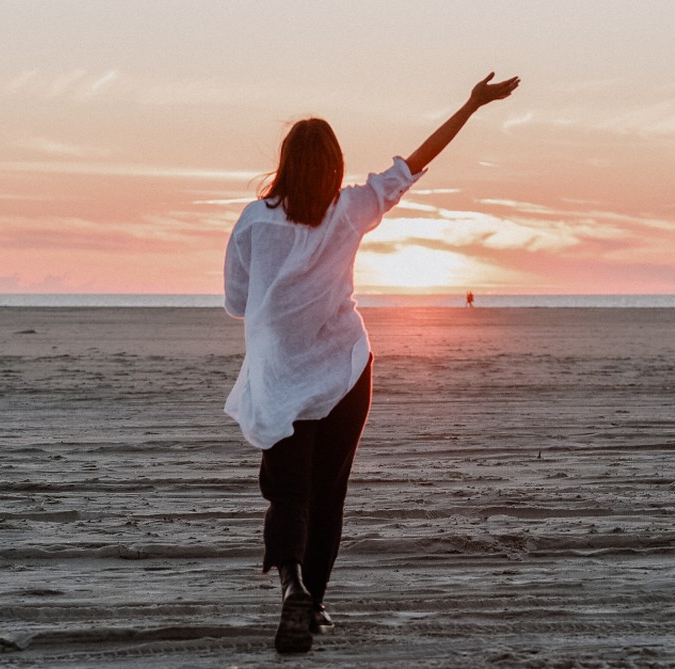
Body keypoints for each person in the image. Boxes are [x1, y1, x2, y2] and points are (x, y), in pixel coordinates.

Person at [223, 72, 520, 654]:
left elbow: (237, 302)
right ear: (333, 165)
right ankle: (314, 604)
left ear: (284, 164)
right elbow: (416, 161)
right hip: (344, 372)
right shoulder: (351, 209)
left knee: (289, 494)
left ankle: (293, 589)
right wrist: (471, 104)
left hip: (282, 378)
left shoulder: (254, 222)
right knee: (329, 494)